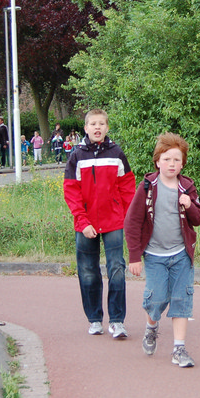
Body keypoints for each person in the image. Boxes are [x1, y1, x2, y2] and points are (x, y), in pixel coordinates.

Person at [126, 133, 200, 367]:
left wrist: (189, 205)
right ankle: (151, 327)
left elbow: (199, 219)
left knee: (181, 300)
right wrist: (134, 257)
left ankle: (179, 349)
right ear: (157, 161)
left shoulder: (187, 187)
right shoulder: (147, 187)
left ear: (182, 164)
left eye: (177, 160)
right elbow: (132, 222)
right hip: (154, 255)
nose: (172, 164)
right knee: (157, 299)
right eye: (167, 159)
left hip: (181, 255)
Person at [63, 109, 136, 338]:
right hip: (85, 223)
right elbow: (71, 191)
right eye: (93, 124)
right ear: (85, 128)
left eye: (101, 124)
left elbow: (127, 187)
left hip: (113, 220)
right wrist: (82, 221)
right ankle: (94, 319)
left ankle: (117, 321)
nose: (97, 127)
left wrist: (127, 217)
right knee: (88, 271)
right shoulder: (76, 156)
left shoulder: (117, 153)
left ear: (107, 128)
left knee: (117, 268)